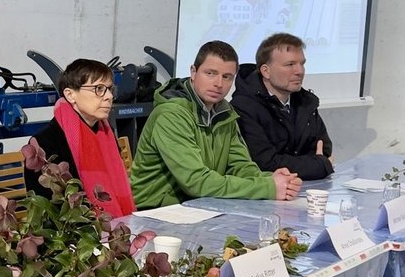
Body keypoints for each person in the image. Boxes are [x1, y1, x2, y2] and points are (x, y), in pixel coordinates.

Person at [128, 40, 302, 208]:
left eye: (227, 77)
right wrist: (268, 188)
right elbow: (196, 182)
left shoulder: (225, 112)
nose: (219, 84)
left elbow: (239, 166)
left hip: (198, 206)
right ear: (193, 72)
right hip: (154, 210)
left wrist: (270, 179)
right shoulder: (171, 114)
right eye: (210, 73)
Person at [24, 58, 136, 218]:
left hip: (114, 224)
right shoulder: (45, 141)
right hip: (71, 228)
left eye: (110, 89)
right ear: (70, 95)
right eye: (99, 89)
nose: (109, 96)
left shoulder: (106, 132)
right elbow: (48, 208)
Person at [231, 32, 333, 180]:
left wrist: (318, 163)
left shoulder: (306, 102)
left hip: (307, 187)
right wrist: (317, 165)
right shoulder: (243, 107)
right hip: (267, 191)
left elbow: (324, 151)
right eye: (290, 64)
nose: (299, 71)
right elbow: (264, 163)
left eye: (302, 64)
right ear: (266, 71)